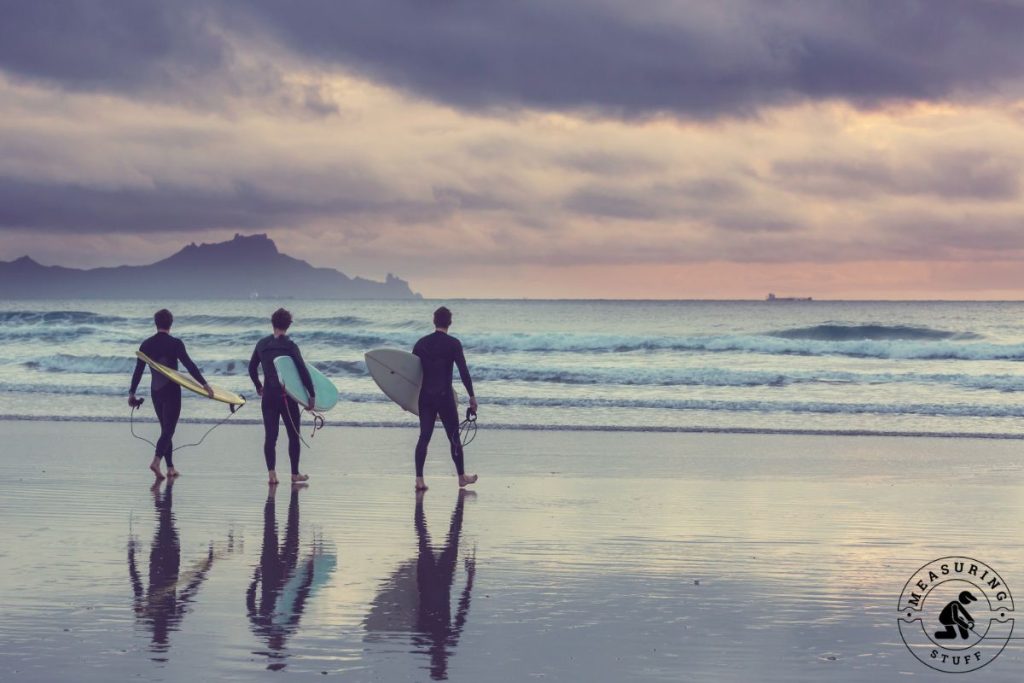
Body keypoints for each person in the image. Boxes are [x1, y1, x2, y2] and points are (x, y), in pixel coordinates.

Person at [129, 308, 214, 479]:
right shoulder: (175, 343)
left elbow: (138, 371)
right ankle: (156, 461)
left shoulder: (146, 344)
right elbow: (189, 365)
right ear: (171, 324)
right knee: (168, 430)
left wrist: (132, 393)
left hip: (155, 391)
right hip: (171, 391)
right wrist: (205, 384)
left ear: (156, 323)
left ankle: (170, 468)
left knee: (165, 430)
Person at [412, 306, 478, 491]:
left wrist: (405, 398)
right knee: (454, 437)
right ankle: (461, 477)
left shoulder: (421, 343)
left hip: (425, 397)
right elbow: (463, 371)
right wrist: (471, 396)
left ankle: (419, 479)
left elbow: (411, 374)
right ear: (449, 322)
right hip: (444, 396)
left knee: (424, 437)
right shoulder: (453, 344)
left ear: (434, 321)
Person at [249, 308, 315, 486]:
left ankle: (272, 474)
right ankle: (294, 474)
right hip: (287, 397)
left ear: (273, 323)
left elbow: (251, 368)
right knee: (294, 435)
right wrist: (311, 394)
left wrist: (258, 386)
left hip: (269, 396)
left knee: (270, 436)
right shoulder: (290, 346)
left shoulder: (262, 344)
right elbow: (302, 370)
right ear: (288, 325)